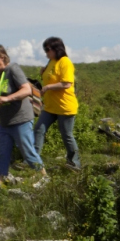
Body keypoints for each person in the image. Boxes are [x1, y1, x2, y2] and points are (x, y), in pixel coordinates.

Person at [0, 45, 46, 190]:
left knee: (27, 150)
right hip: (5, 122)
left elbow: (26, 89)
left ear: (2, 57)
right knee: (1, 152)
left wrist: (8, 99)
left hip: (21, 119)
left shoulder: (13, 69)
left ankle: (44, 177)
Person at [33, 37, 81, 172]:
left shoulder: (65, 62)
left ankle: (74, 163)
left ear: (57, 49)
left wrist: (48, 87)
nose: (46, 52)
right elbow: (51, 78)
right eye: (45, 49)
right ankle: (33, 160)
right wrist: (43, 73)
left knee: (66, 134)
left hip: (64, 106)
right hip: (50, 106)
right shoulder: (51, 62)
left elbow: (66, 83)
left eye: (48, 49)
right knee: (39, 129)